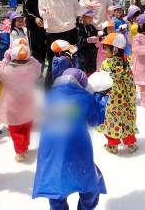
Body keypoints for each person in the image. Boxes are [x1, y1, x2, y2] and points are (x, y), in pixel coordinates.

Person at [32, 68, 108, 210]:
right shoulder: (84, 97)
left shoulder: (50, 95)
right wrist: (99, 98)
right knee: (89, 184)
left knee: (56, 182)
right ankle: (86, 206)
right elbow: (95, 119)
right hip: (75, 146)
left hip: (51, 147)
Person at [38, 0, 101, 88]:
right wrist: (46, 12)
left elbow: (77, 10)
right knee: (54, 64)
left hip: (71, 32)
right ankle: (50, 93)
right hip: (53, 33)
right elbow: (42, 12)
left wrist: (87, 6)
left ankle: (72, 89)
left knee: (72, 61)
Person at [0, 44, 41, 162]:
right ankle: (25, 145)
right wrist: (29, 57)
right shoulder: (32, 69)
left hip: (13, 106)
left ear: (12, 58)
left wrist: (6, 58)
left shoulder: (8, 71)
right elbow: (38, 64)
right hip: (28, 105)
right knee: (26, 127)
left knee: (16, 129)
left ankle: (21, 151)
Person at [97, 33, 139, 154]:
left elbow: (101, 80)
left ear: (114, 49)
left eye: (105, 48)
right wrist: (132, 98)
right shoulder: (125, 63)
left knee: (111, 120)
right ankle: (130, 143)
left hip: (110, 98)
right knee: (126, 119)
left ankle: (113, 145)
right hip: (124, 99)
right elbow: (131, 83)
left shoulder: (106, 64)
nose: (104, 52)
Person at [23, 0, 50, 73]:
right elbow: (26, 9)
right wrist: (35, 18)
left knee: (44, 49)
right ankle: (35, 74)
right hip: (33, 26)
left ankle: (41, 72)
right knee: (35, 50)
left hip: (45, 25)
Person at [76, 10, 99, 76]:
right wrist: (86, 40)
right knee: (83, 72)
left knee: (92, 72)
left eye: (92, 17)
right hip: (82, 55)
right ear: (82, 17)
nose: (91, 19)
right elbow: (78, 43)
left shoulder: (92, 28)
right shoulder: (78, 28)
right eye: (89, 17)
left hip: (92, 55)